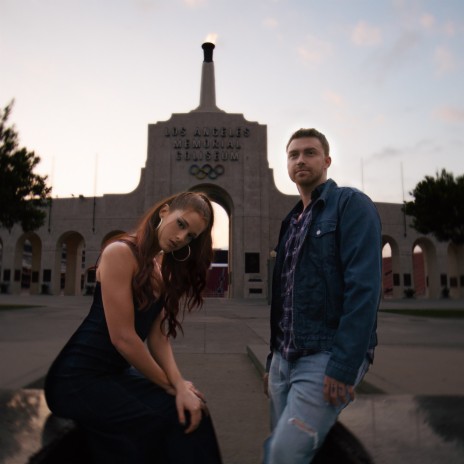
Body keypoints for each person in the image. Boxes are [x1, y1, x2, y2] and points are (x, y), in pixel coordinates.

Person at [44, 191, 223, 464]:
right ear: (164, 212)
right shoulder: (120, 252)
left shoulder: (159, 268)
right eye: (182, 224)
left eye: (190, 236)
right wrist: (172, 387)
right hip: (77, 379)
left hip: (114, 375)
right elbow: (124, 339)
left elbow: (158, 338)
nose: (180, 237)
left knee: (196, 410)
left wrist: (180, 384)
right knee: (164, 419)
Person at [263, 128, 382, 463]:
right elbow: (284, 297)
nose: (301, 159)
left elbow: (364, 289)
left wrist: (344, 365)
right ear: (287, 164)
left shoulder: (350, 205)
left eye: (310, 152)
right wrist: (273, 357)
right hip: (284, 361)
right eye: (293, 154)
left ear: (327, 160)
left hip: (325, 356)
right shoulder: (291, 222)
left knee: (284, 455)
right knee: (286, 448)